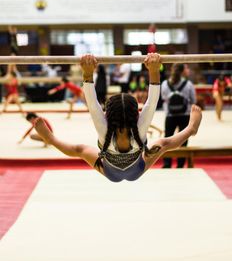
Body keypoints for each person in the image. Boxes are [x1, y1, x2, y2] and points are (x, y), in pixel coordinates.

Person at [33, 54, 202, 183]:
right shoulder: (140, 129)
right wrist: (154, 71)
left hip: (110, 171)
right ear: (136, 115)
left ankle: (51, 139)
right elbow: (152, 102)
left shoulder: (104, 130)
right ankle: (190, 130)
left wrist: (87, 73)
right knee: (163, 144)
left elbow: (92, 105)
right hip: (136, 169)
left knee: (80, 150)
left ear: (108, 114)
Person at [161, 63, 196, 169]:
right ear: (182, 71)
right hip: (184, 115)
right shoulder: (188, 84)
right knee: (183, 140)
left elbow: (164, 98)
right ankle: (180, 164)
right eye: (186, 68)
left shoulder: (165, 83)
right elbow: (194, 100)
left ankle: (167, 163)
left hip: (170, 115)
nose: (188, 70)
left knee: (167, 141)